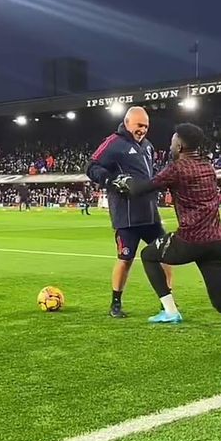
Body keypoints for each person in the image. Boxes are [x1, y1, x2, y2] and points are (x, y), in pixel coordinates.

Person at [112, 122, 221, 334]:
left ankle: (170, 311)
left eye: (172, 141)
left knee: (148, 255)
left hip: (191, 240)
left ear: (179, 145)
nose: (170, 145)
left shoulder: (178, 168)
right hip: (218, 242)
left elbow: (143, 189)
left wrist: (125, 181)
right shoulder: (208, 166)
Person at [87, 106, 171, 318]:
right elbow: (91, 166)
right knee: (125, 259)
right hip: (126, 217)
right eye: (139, 125)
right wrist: (112, 180)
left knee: (166, 256)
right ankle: (115, 303)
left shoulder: (148, 147)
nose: (143, 129)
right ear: (127, 123)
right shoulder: (113, 143)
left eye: (146, 126)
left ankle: (167, 303)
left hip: (150, 215)